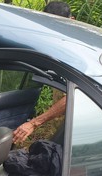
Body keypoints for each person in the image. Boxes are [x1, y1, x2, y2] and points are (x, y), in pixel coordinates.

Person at [12, 1, 71, 144]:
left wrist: (34, 123)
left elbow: (74, 96)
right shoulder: (56, 46)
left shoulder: (74, 52)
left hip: (78, 122)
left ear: (71, 21)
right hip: (64, 119)